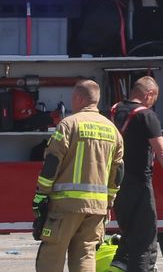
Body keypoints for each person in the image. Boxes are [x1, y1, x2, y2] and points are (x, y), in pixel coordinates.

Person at [32, 79, 124, 272]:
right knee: (85, 253)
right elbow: (117, 173)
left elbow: (52, 164)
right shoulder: (113, 130)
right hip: (97, 208)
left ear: (79, 98)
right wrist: (109, 201)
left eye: (73, 98)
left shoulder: (69, 125)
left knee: (52, 253)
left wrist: (41, 195)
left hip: (66, 205)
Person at [109, 75, 163, 272]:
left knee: (128, 238)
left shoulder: (114, 111)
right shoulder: (146, 116)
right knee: (145, 242)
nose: (154, 103)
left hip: (116, 186)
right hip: (139, 186)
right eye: (155, 99)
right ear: (149, 94)